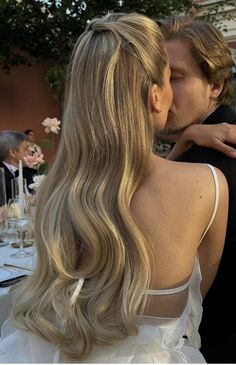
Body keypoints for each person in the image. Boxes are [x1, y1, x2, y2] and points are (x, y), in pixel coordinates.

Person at [0, 12, 229, 363]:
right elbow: (198, 292)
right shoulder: (207, 186)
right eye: (170, 79)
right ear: (156, 95)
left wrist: (182, 144)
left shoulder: (52, 191)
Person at [158, 14, 236, 363]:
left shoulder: (205, 165)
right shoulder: (201, 145)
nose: (160, 93)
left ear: (215, 85)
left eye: (175, 77)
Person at [0, 130, 36, 201]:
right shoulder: (1, 176)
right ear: (13, 153)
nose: (30, 152)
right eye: (26, 149)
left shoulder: (29, 172)